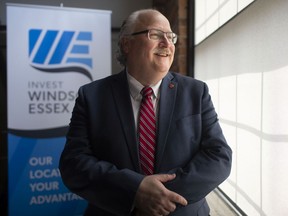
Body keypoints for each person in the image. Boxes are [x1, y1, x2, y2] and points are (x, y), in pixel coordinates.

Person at [59, 9, 232, 216]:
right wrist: (134, 191)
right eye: (156, 35)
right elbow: (73, 163)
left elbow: (219, 157)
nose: (167, 44)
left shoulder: (196, 92)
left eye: (170, 37)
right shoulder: (92, 96)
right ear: (127, 44)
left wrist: (157, 197)